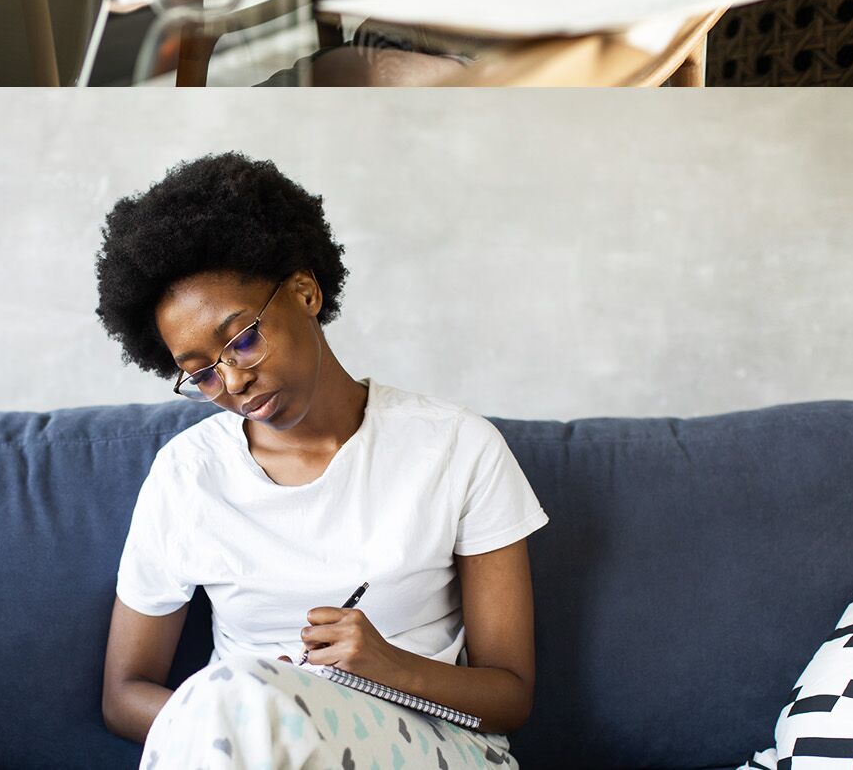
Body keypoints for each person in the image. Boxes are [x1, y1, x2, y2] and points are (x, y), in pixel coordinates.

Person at [94, 153, 546, 768]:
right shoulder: (187, 475)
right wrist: (257, 704)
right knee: (240, 700)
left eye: (242, 338)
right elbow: (124, 697)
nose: (233, 382)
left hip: (435, 746)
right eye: (200, 372)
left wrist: (390, 667)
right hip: (241, 743)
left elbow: (510, 697)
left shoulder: (455, 447)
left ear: (305, 292)